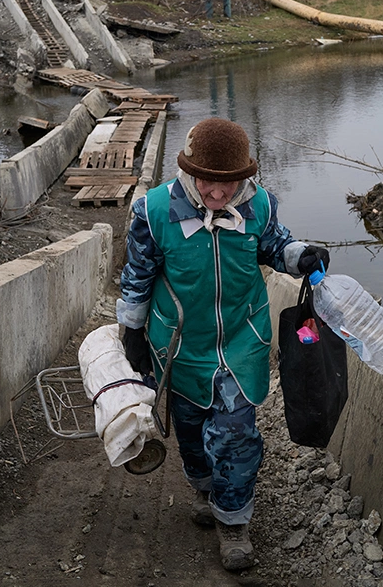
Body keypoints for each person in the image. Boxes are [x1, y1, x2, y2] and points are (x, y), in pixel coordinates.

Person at [117, 117, 329, 571]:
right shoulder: (153, 212)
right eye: (209, 184)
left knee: (235, 433)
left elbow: (277, 247)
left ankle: (233, 522)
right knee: (191, 429)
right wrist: (132, 332)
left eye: (229, 185)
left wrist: (301, 256)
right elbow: (136, 277)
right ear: (189, 173)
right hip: (178, 344)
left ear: (245, 178)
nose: (218, 195)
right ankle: (203, 486)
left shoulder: (260, 207)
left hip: (240, 338)